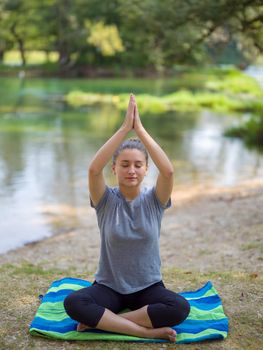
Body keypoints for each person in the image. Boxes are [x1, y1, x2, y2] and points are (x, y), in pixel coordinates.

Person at [64, 94, 190, 342]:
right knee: (74, 302)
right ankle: (144, 332)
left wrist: (140, 129)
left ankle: (99, 323)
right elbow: (92, 169)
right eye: (124, 164)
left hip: (148, 287)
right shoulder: (105, 200)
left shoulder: (155, 201)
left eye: (137, 164)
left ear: (145, 169)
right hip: (109, 287)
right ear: (114, 169)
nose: (131, 170)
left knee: (179, 307)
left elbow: (168, 170)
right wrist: (124, 128)